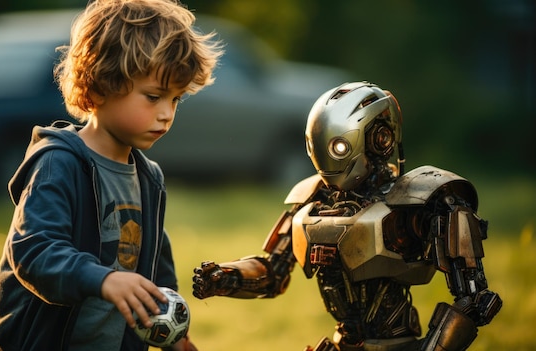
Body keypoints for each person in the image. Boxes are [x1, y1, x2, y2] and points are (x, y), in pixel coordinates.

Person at [192, 82, 502, 351]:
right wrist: (224, 277)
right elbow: (273, 273)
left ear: (379, 139)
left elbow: (475, 299)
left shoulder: (421, 200)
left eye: (338, 145)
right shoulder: (313, 199)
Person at [0, 0, 222, 350]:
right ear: (100, 86)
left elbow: (155, 272)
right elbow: (35, 252)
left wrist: (174, 333)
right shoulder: (59, 163)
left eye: (175, 100)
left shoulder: (149, 180)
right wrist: (104, 280)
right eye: (154, 96)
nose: (166, 114)